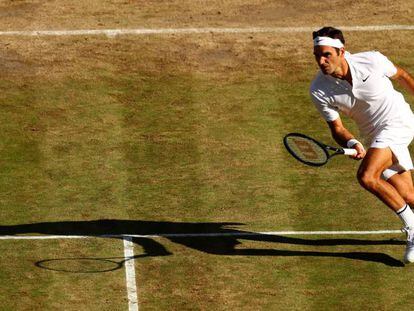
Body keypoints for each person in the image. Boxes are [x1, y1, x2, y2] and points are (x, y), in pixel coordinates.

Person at [310, 26, 414, 263]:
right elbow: (337, 129)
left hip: (399, 121)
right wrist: (353, 141)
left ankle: (412, 227)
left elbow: (403, 76)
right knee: (408, 195)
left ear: (342, 51)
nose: (321, 60)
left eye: (327, 54)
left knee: (367, 176)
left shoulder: (372, 61)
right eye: (317, 55)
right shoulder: (318, 90)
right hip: (373, 135)